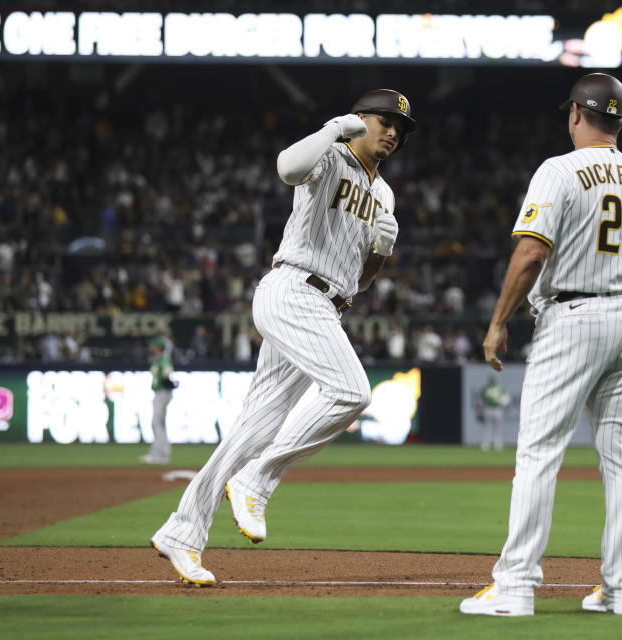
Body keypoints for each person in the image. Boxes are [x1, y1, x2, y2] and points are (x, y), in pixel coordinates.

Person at [149, 89, 417, 586]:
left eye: (400, 127)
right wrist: (334, 128)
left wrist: (381, 253)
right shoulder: (331, 152)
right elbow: (287, 169)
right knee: (352, 392)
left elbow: (360, 280)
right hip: (293, 287)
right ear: (360, 120)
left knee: (252, 429)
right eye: (383, 121)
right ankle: (257, 479)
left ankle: (181, 533)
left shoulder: (385, 195)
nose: (394, 132)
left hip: (329, 304)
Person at [459, 73, 622, 617]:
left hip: (575, 314)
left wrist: (499, 321)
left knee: (539, 452)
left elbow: (529, 255)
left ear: (575, 113)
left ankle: (516, 586)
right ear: (620, 121)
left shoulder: (559, 169)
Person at [141, 335, 175, 464]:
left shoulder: (164, 359)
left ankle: (161, 454)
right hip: (160, 393)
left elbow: (167, 374)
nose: (151, 347)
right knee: (158, 423)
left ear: (158, 346)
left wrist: (167, 379)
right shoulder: (158, 359)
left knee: (156, 422)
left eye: (153, 345)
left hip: (163, 393)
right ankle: (159, 453)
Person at [478, 375, 510, 451]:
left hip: (497, 409)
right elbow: (481, 399)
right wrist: (481, 409)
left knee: (498, 427)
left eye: (492, 380)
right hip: (488, 408)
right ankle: (486, 444)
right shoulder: (486, 388)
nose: (491, 381)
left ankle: (498, 444)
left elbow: (506, 397)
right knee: (487, 427)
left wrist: (502, 404)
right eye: (490, 380)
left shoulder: (499, 388)